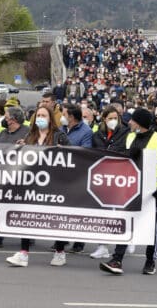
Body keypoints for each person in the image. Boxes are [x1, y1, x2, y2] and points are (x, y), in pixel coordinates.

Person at [100, 108, 157, 276]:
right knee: (126, 224)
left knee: (151, 228)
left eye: (132, 120)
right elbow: (120, 158)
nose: (129, 123)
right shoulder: (129, 137)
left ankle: (150, 261)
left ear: (139, 123)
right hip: (131, 190)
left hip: (153, 194)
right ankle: (117, 260)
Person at [5, 105, 70, 267]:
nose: (40, 118)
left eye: (44, 115)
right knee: (26, 216)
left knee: (56, 217)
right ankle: (23, 253)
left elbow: (73, 154)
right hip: (33, 183)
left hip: (54, 183)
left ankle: (60, 252)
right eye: (38, 115)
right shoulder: (30, 136)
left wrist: (64, 151)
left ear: (50, 119)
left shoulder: (59, 136)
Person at [0, 106, 30, 248]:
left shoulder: (26, 132)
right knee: (1, 205)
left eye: (6, 116)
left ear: (13, 119)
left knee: (22, 208)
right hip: (3, 175)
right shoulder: (3, 133)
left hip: (21, 175)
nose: (4, 118)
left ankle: (28, 236)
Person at [89, 106, 130, 259]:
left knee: (119, 212)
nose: (113, 121)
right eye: (110, 118)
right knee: (101, 213)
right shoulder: (96, 136)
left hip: (120, 177)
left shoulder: (126, 133)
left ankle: (126, 239)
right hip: (101, 177)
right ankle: (102, 245)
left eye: (115, 118)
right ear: (104, 119)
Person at [60, 103, 92, 253]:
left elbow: (85, 152)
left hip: (78, 175)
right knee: (62, 209)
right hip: (61, 174)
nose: (62, 117)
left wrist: (66, 149)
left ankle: (79, 242)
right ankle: (61, 240)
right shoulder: (62, 129)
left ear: (71, 117)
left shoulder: (86, 131)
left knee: (79, 211)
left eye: (64, 114)